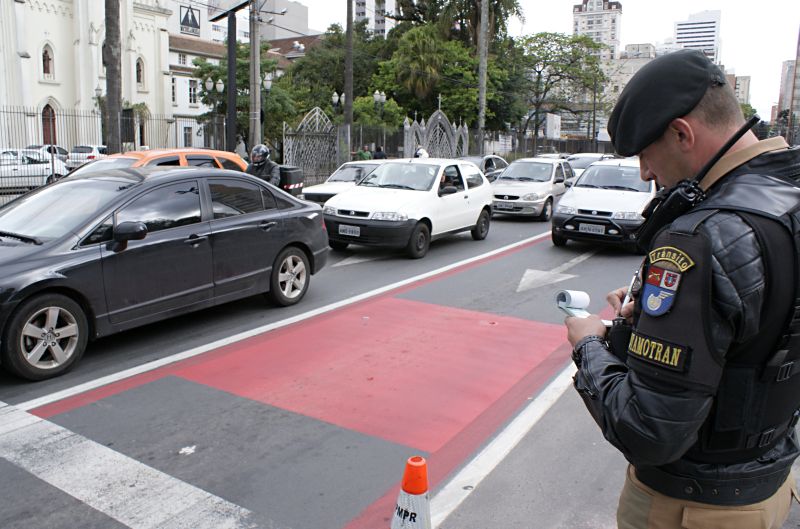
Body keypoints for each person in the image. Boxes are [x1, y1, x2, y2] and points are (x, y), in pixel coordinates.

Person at [565, 49, 800, 529]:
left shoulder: (701, 237)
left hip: (695, 507)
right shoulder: (786, 193)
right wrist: (667, 321)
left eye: (644, 154)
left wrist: (587, 345)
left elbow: (647, 431)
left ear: (681, 133)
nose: (645, 174)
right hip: (769, 482)